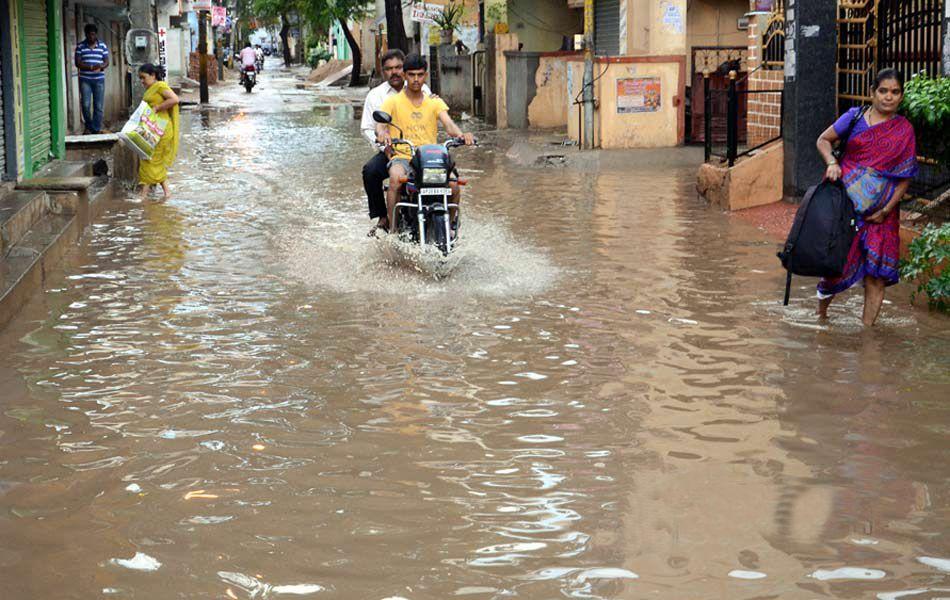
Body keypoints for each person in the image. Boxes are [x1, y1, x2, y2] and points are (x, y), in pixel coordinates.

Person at [815, 68, 918, 326]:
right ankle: (821, 318)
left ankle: (867, 334)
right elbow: (823, 140)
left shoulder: (904, 131)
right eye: (883, 91)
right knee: (835, 268)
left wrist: (886, 210)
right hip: (846, 209)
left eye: (895, 92)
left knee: (876, 275)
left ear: (901, 97)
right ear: (872, 92)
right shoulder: (854, 117)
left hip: (882, 215)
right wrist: (831, 163)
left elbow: (905, 177)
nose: (888, 97)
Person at [360, 49, 431, 236]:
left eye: (398, 67)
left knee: (448, 175)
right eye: (389, 69)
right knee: (370, 171)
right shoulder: (376, 96)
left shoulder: (424, 90)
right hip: (392, 151)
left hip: (421, 151)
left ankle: (445, 217)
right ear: (384, 72)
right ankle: (383, 218)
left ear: (405, 68)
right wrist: (384, 147)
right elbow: (368, 127)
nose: (395, 72)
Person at [137, 64, 180, 202]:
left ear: (153, 75)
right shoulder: (151, 89)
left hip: (161, 128)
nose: (142, 81)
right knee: (152, 159)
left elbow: (175, 99)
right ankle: (167, 194)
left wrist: (158, 108)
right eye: (140, 78)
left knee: (150, 159)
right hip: (154, 128)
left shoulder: (160, 86)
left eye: (143, 77)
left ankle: (143, 195)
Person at [74, 23, 110, 134]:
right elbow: (77, 63)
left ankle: (95, 129)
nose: (91, 37)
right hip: (85, 80)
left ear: (96, 34)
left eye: (93, 34)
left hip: (99, 79)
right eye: (89, 35)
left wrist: (101, 67)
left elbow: (106, 61)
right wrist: (90, 67)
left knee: (98, 105)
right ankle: (89, 126)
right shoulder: (80, 46)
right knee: (85, 104)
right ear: (86, 34)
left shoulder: (102, 46)